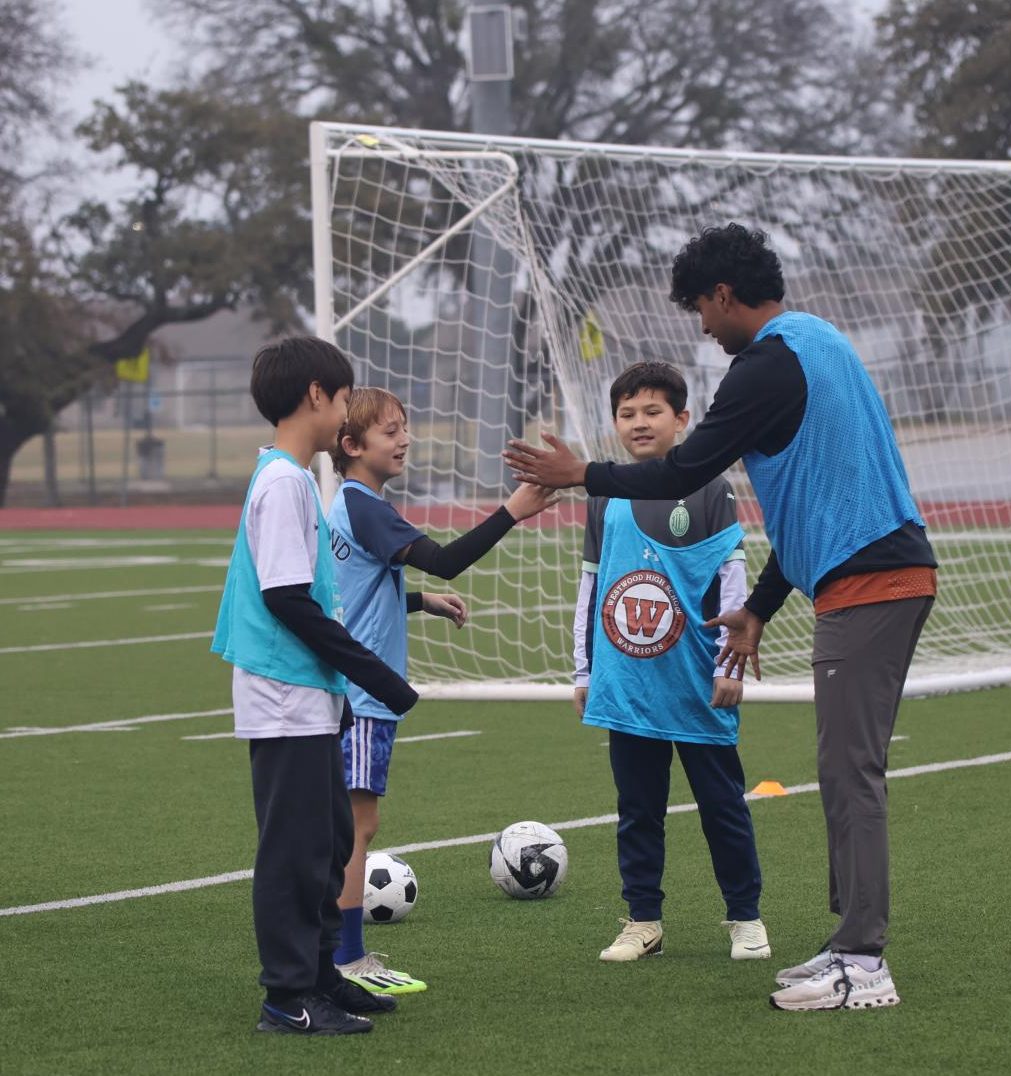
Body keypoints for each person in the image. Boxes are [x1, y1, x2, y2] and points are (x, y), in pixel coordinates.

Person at [504, 223, 937, 1012]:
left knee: (851, 774)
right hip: (871, 576)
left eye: (700, 310)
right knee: (845, 771)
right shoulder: (817, 342)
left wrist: (582, 473)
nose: (701, 327)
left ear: (724, 296)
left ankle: (864, 963)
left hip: (872, 583)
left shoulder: (764, 364)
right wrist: (759, 610)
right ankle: (847, 947)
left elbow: (684, 467)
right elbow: (815, 500)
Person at [211, 337, 420, 1036]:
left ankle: (322, 975)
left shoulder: (298, 480)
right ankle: (287, 997)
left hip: (312, 695)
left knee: (330, 840)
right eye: (340, 399)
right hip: (282, 696)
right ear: (314, 397)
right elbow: (286, 600)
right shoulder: (281, 483)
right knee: (294, 853)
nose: (344, 415)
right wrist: (377, 675)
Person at [326, 387, 558, 994]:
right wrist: (513, 510)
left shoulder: (353, 505)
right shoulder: (365, 506)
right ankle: (346, 958)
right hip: (364, 693)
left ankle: (338, 952)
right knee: (356, 828)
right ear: (351, 446)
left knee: (349, 826)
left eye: (404, 427)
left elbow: (351, 594)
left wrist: (417, 601)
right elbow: (446, 559)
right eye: (389, 432)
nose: (404, 439)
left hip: (353, 687)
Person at [573, 361, 768, 965]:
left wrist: (727, 668)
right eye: (627, 413)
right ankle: (642, 920)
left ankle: (745, 918)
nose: (639, 423)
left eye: (652, 411)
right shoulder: (606, 495)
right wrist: (583, 669)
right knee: (637, 811)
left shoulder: (710, 489)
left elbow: (732, 583)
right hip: (628, 684)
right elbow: (590, 584)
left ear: (682, 420)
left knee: (723, 807)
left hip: (695, 685)